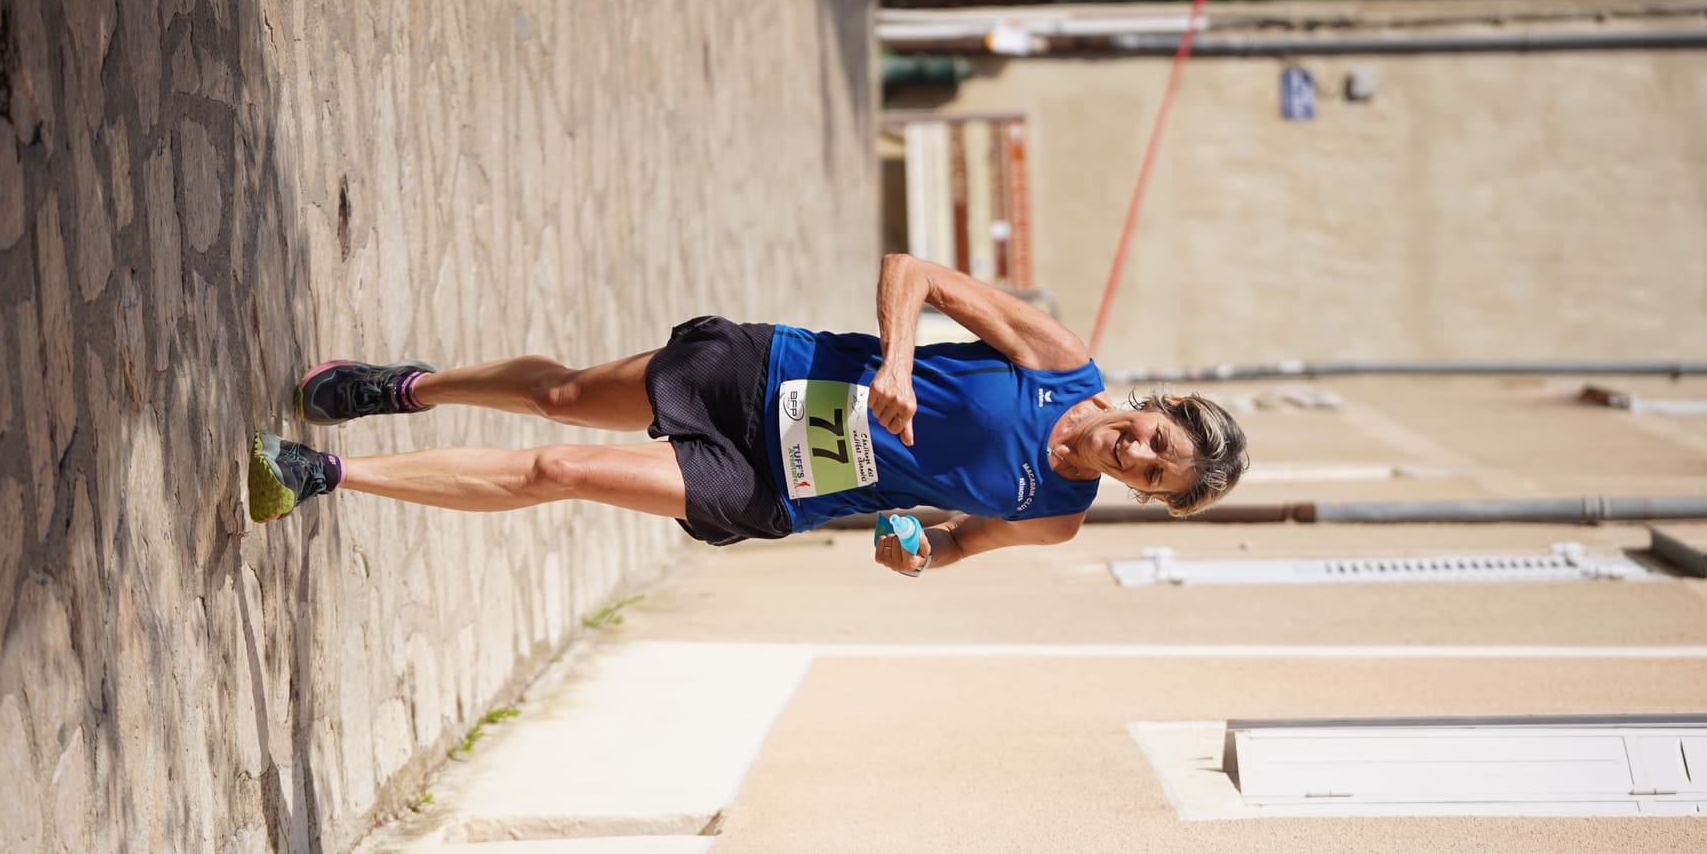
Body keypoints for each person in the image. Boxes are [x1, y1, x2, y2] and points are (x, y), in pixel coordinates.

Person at [248, 255, 1248, 575]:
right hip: (768, 375)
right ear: (1158, 407)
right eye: (1156, 438)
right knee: (562, 397)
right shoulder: (1060, 363)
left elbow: (952, 544)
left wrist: (912, 556)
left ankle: (322, 476)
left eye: (1152, 474)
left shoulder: (1056, 517)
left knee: (561, 470)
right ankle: (406, 389)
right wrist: (899, 360)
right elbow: (912, 272)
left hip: (777, 485)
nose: (1137, 454)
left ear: (1146, 494)